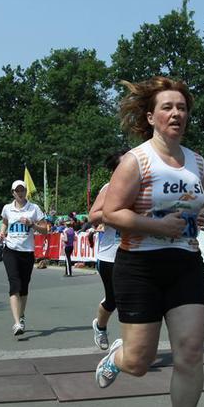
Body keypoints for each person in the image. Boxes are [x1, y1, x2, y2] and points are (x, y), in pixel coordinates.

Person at [96, 76, 204, 407]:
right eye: (167, 107)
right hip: (140, 267)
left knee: (191, 351)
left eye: (181, 107)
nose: (176, 113)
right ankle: (118, 357)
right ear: (151, 117)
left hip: (185, 264)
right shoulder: (137, 161)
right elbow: (110, 213)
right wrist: (157, 226)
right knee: (139, 362)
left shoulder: (197, 162)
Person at [0, 180, 50, 337]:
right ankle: (17, 323)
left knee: (24, 288)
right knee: (15, 284)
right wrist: (2, 233)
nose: (20, 193)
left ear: (26, 191)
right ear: (13, 193)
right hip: (10, 250)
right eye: (17, 191)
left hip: (27, 252)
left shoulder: (34, 208)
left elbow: (45, 230)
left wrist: (32, 224)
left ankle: (21, 316)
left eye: (22, 190)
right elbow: (4, 222)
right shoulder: (7, 208)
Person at [89, 150, 127, 351]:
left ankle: (131, 344)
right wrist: (115, 214)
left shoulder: (142, 188)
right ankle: (100, 326)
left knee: (132, 298)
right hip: (110, 255)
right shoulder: (109, 188)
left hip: (134, 252)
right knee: (113, 299)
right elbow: (93, 216)